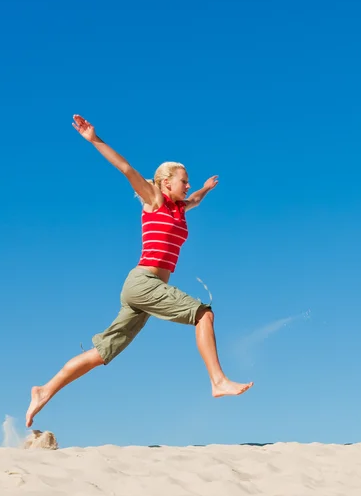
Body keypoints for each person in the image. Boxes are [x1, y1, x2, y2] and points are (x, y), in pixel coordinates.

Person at [25, 115, 253, 428]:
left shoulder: (180, 207)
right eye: (183, 181)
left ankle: (44, 390)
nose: (187, 186)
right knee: (204, 314)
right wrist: (94, 139)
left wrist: (205, 188)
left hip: (143, 293)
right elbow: (127, 169)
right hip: (143, 283)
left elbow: (196, 198)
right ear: (165, 183)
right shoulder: (154, 199)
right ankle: (218, 380)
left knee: (101, 353)